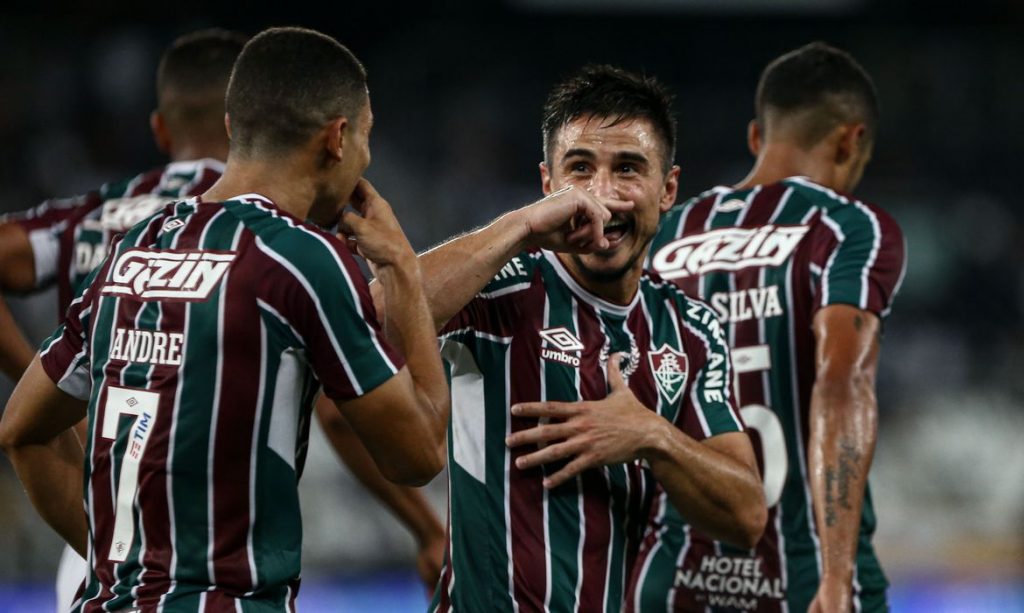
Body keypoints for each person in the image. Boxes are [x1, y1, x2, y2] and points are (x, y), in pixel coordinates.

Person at [0, 26, 449, 612]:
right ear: (338, 138)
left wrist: (121, 564)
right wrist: (402, 271)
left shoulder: (133, 245)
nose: (367, 158)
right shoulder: (302, 259)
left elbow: (20, 430)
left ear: (233, 127)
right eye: (366, 136)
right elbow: (419, 455)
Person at [406, 65, 766, 612]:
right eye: (579, 169)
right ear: (548, 185)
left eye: (628, 169)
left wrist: (651, 436)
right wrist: (522, 227)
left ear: (668, 189)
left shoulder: (689, 330)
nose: (603, 196)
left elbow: (746, 517)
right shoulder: (501, 286)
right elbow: (369, 316)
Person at [630, 42, 906, 612]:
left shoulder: (667, 234)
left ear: (757, 136)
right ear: (851, 141)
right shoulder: (847, 228)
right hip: (801, 580)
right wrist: (836, 579)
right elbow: (842, 383)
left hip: (671, 578)